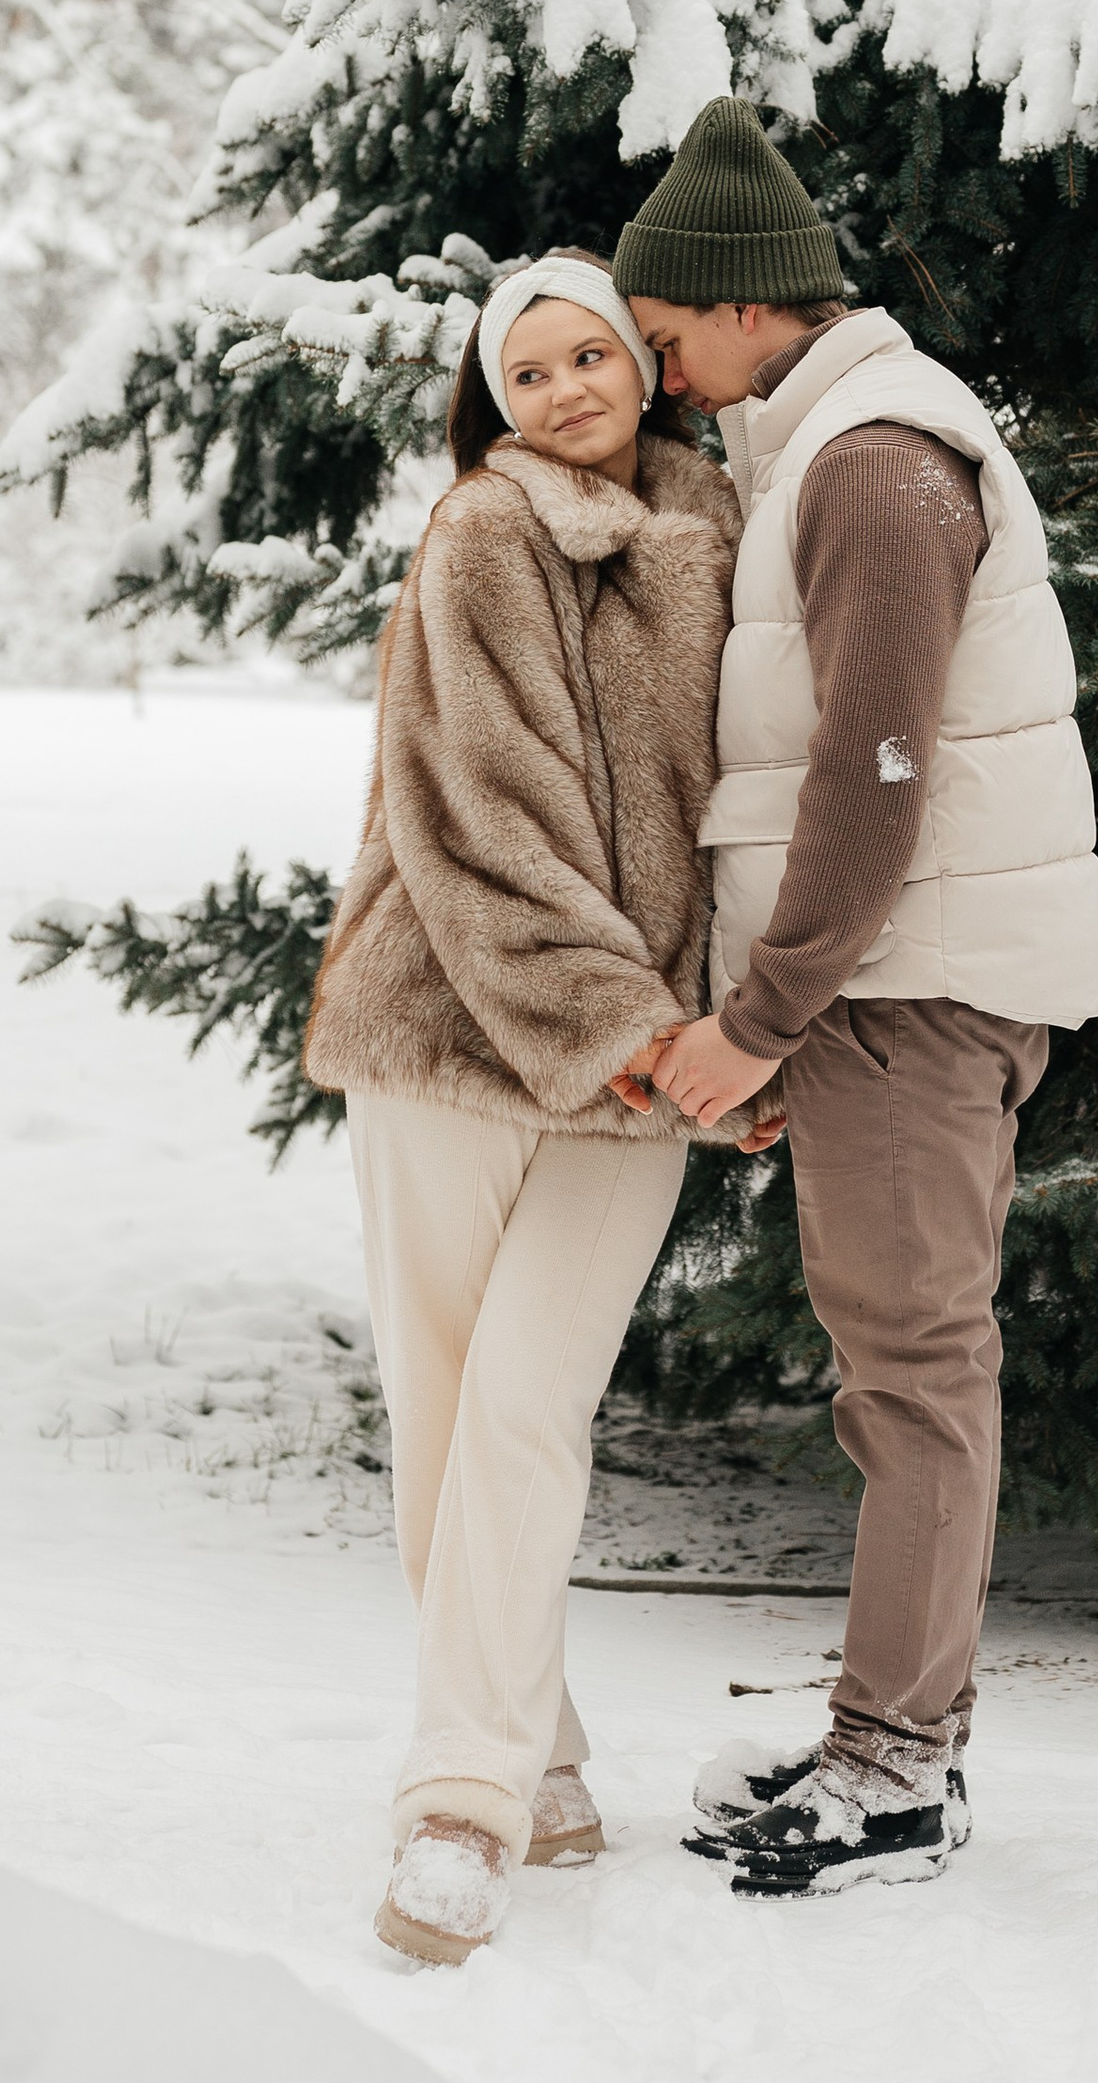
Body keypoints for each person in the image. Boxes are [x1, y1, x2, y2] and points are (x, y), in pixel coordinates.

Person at [611, 102, 1098, 1900]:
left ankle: (896, 1765)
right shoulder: (834, 444)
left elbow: (875, 774)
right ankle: (882, 1727)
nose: (660, 373)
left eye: (666, 332)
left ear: (747, 305)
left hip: (914, 989)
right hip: (887, 993)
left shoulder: (874, 462)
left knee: (915, 1373)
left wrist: (764, 1014)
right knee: (896, 1371)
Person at [304, 248, 763, 1968]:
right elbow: (478, 819)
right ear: (495, 402)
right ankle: (490, 1789)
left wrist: (732, 1033)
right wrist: (631, 1025)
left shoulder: (729, 536)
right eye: (531, 372)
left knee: (529, 1404)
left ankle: (487, 1765)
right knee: (450, 1408)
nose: (568, 390)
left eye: (592, 355)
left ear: (641, 367)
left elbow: (760, 802)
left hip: (642, 1063)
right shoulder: (481, 536)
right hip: (452, 1029)